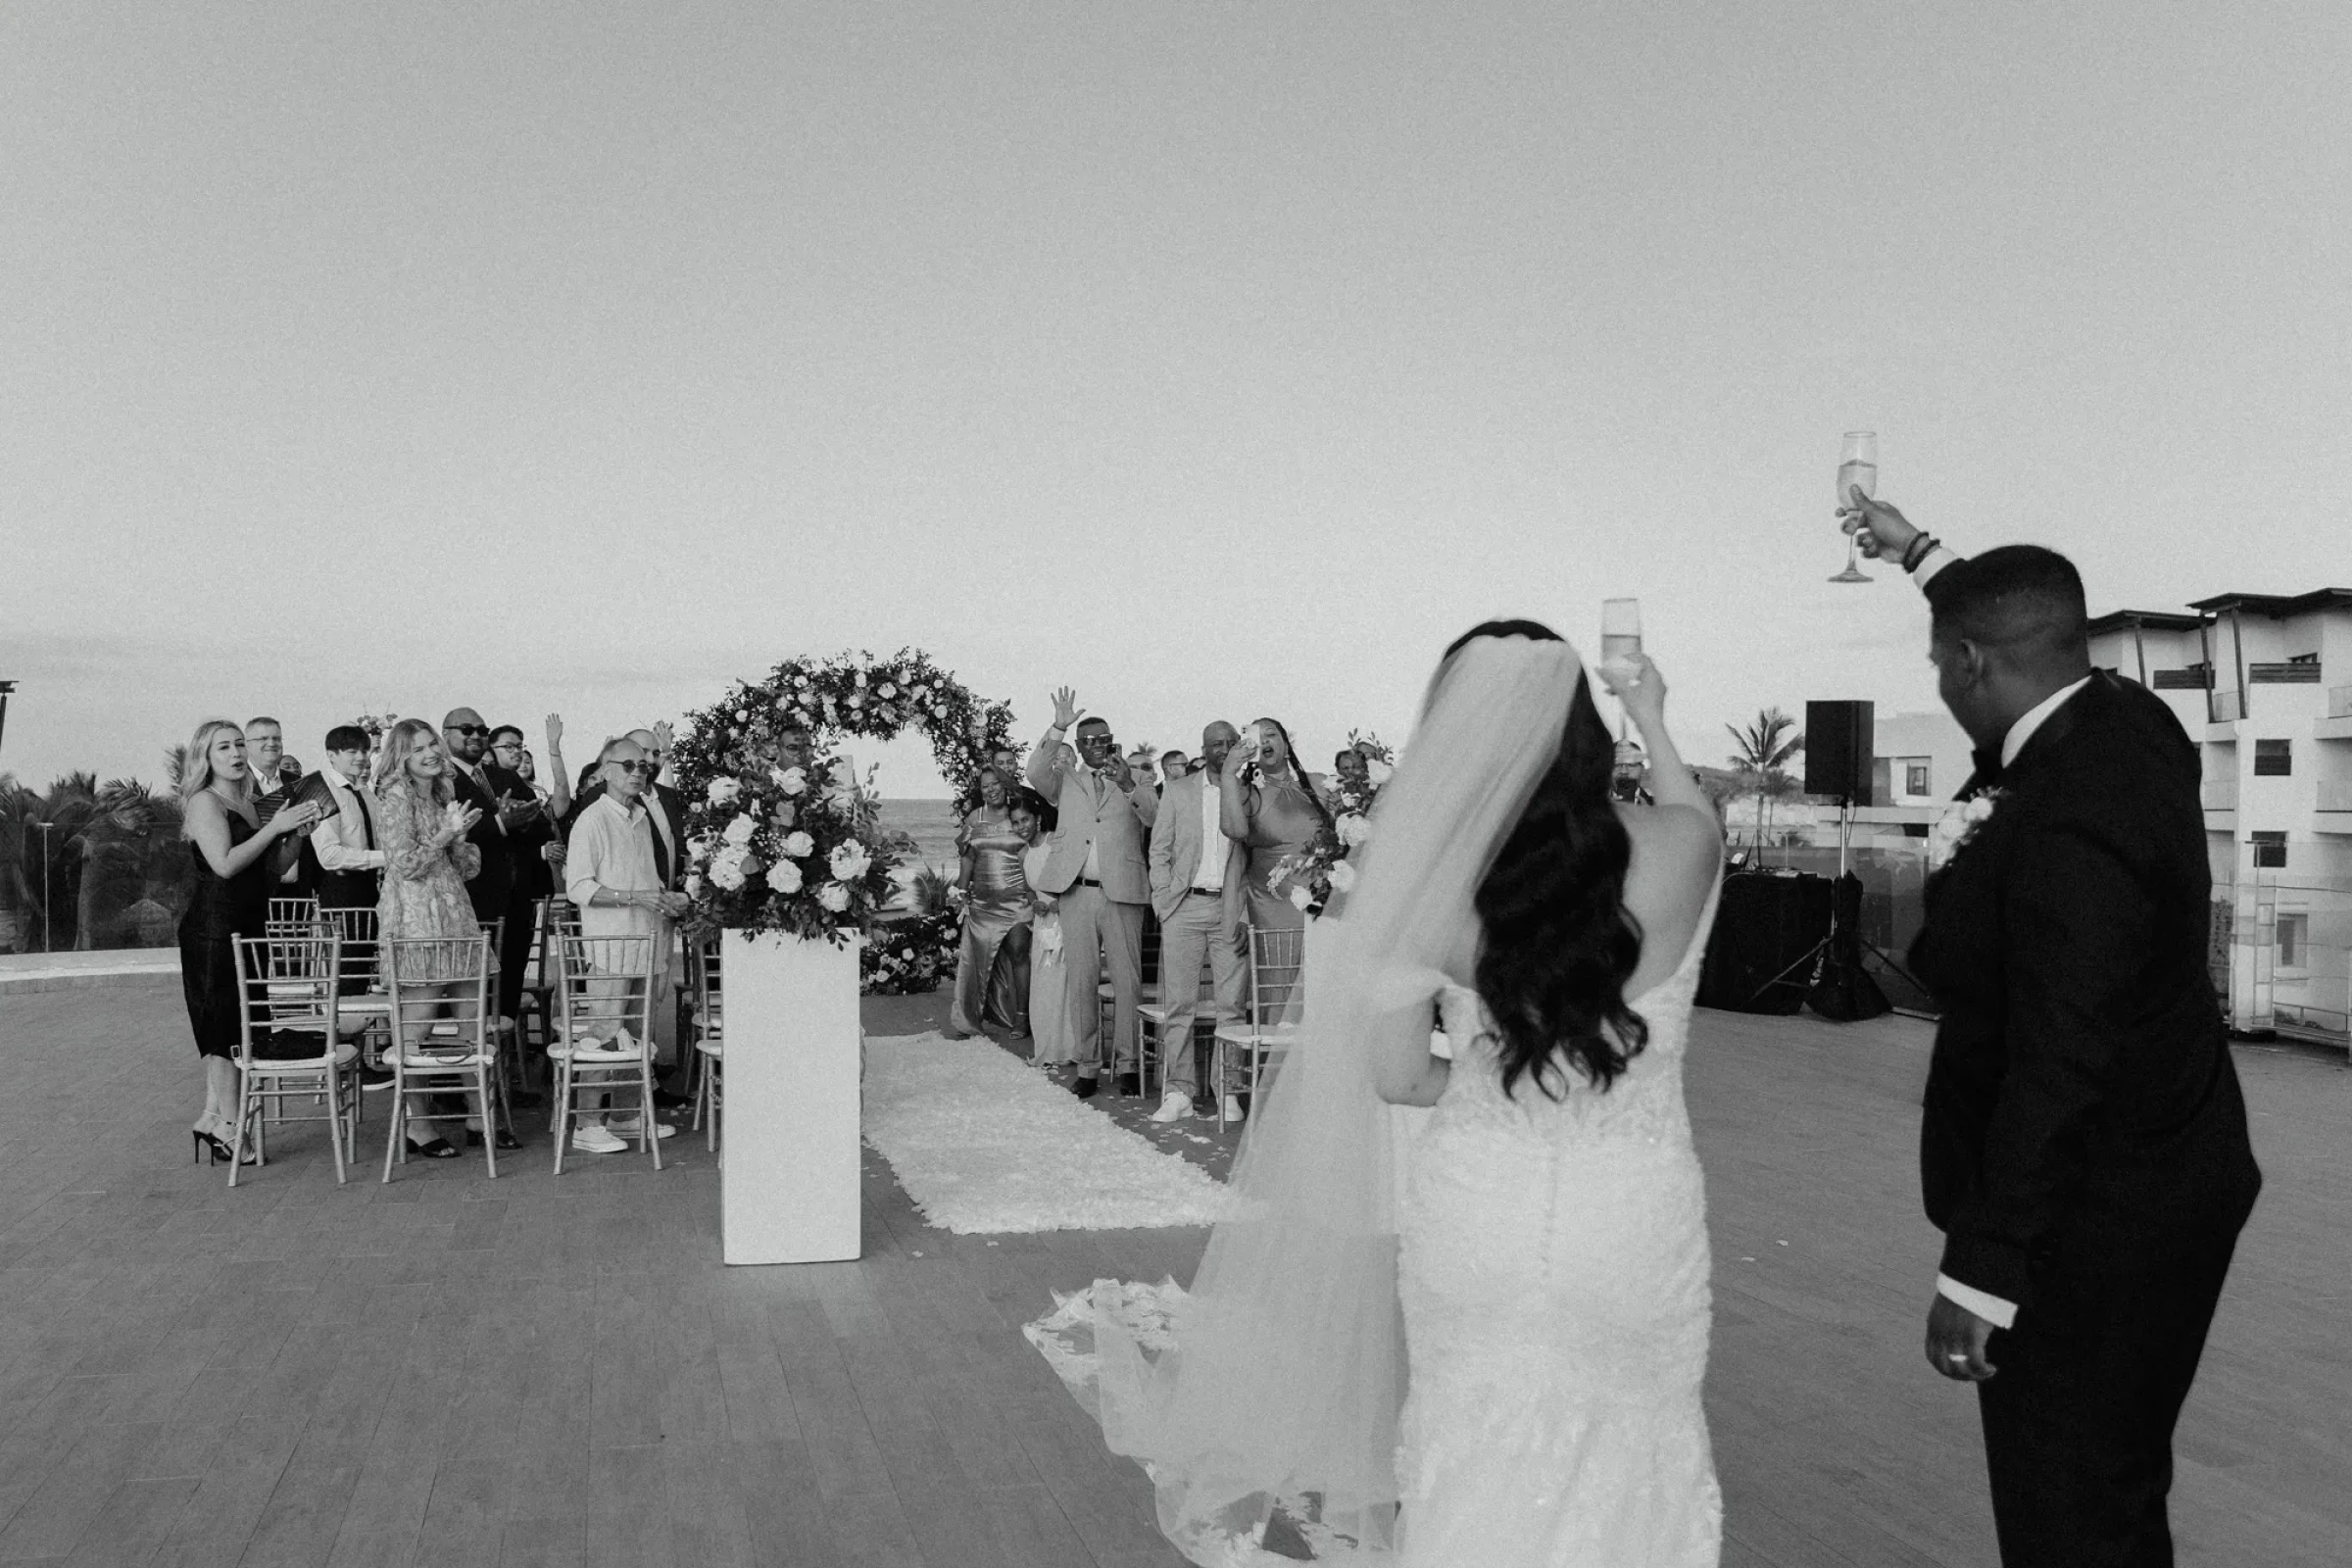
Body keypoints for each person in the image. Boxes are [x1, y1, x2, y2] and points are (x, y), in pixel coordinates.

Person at [1027, 623, 1725, 1567]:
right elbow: (1692, 815)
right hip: (1631, 1217)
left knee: (1469, 1451)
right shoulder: (1684, 847)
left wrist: (1493, 1084)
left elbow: (1398, 1075)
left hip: (1480, 1213)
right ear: (1587, 734)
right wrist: (1654, 716)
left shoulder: (1428, 878)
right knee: (1639, 1450)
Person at [1846, 491, 2262, 1568]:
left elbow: (2062, 1056)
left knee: (2068, 1509)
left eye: (1942, 663)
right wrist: (1917, 552)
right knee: (2116, 1487)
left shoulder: (2070, 813)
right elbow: (2013, 616)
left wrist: (1983, 1272)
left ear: (1971, 664)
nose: (1940, 684)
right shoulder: (2130, 716)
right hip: (2177, 1166)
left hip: (2101, 1218)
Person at [178, 719, 322, 1164]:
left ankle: (212, 1119)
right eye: (223, 747)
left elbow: (272, 868)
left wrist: (296, 835)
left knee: (242, 1025)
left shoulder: (246, 802)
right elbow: (223, 864)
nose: (236, 753)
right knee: (225, 1030)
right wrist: (273, 826)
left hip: (248, 923)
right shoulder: (205, 801)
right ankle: (231, 1127)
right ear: (205, 758)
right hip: (215, 928)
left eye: (239, 744)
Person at [374, 717, 512, 1155]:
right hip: (417, 920)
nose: (430, 753)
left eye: (432, 744)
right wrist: (445, 834)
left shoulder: (443, 791)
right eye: (417, 749)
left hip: (455, 914)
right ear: (400, 758)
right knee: (417, 1026)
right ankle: (418, 1124)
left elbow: (467, 868)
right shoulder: (394, 796)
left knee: (472, 1021)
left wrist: (460, 837)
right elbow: (405, 864)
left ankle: (478, 1116)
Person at [1024, 689, 1157, 1098]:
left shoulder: (1137, 777)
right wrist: (1058, 727)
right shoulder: (1065, 780)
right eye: (1089, 740)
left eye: (1104, 739)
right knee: (1081, 982)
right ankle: (1087, 1066)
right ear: (1079, 746)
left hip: (1123, 893)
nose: (1098, 745)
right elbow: (1034, 770)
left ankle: (1129, 1064)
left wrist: (1127, 782)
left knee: (1127, 982)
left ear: (1113, 741)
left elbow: (1154, 816)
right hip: (1076, 893)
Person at [564, 735, 687, 1153]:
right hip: (609, 948)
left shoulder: (640, 817)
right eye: (628, 765)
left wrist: (668, 898)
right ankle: (586, 1124)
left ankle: (625, 1114)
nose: (638, 773)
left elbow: (646, 881)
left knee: (639, 1033)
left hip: (646, 942)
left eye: (644, 766)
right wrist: (634, 897)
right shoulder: (592, 819)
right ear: (605, 770)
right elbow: (579, 887)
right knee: (603, 1035)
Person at [1145, 720, 1249, 1125]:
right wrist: (1163, 900)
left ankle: (1228, 1090)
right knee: (1180, 1005)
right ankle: (1179, 1092)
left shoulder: (1247, 789)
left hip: (1230, 908)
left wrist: (1244, 910)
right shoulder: (1178, 790)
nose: (1224, 748)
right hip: (1183, 906)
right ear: (1203, 750)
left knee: (1231, 1005)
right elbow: (1159, 849)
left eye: (1231, 742)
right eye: (1216, 744)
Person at [1218, 715, 1329, 1021]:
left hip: (1321, 903)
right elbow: (1234, 831)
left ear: (1286, 743)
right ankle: (1274, 1050)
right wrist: (1229, 773)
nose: (1265, 741)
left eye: (1272, 735)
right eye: (1258, 736)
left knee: (1320, 993)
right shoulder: (1247, 793)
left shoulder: (1319, 785)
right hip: (1272, 907)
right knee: (1278, 992)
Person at [945, 766, 1033, 1040]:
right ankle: (969, 1018)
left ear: (1005, 785)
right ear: (980, 791)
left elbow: (1033, 849)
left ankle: (1022, 1017)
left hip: (1018, 900)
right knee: (976, 960)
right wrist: (961, 892)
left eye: (996, 783)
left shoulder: (1018, 814)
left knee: (1019, 953)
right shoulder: (975, 817)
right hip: (983, 903)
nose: (991, 789)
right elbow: (968, 856)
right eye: (985, 786)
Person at [1013, 789, 1072, 1068]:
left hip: (1064, 919)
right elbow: (1029, 889)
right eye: (1015, 822)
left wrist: (1061, 902)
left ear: (1037, 819)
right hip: (1042, 923)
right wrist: (1034, 902)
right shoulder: (1023, 853)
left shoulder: (1054, 841)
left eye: (1025, 820)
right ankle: (1048, 1046)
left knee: (1063, 983)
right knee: (1043, 984)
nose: (1021, 827)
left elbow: (1072, 877)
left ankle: (1069, 1048)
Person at [306, 725, 385, 913]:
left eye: (364, 751)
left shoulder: (366, 794)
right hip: (342, 890)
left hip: (373, 885)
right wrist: (385, 858)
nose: (361, 757)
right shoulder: (323, 793)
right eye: (352, 752)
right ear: (331, 755)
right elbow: (329, 855)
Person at [243, 715, 314, 899]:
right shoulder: (237, 784)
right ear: (247, 745)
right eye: (263, 738)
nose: (271, 743)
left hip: (298, 891)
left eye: (276, 738)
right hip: (254, 891)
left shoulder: (295, 782)